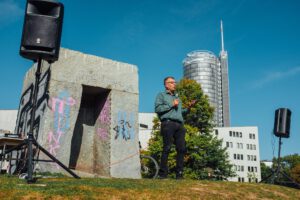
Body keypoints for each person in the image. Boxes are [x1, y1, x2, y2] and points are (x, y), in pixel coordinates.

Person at [155, 76, 195, 179]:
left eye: (175, 82)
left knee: (181, 149)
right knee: (167, 148)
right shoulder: (161, 95)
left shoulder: (177, 97)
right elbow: (158, 109)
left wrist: (188, 108)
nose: (174, 84)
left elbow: (180, 112)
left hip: (180, 125)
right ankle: (163, 174)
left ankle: (179, 174)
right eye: (172, 82)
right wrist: (171, 105)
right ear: (166, 85)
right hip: (168, 123)